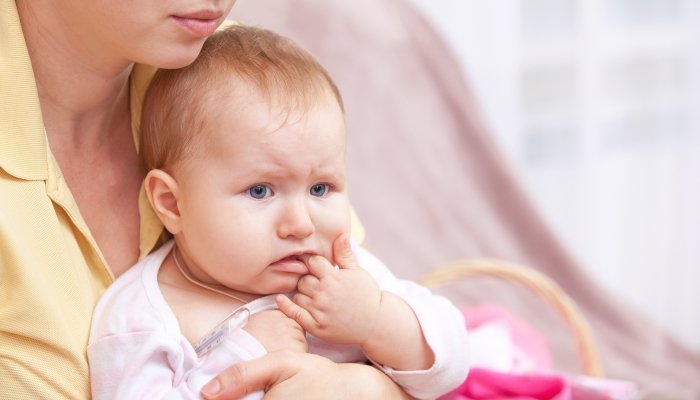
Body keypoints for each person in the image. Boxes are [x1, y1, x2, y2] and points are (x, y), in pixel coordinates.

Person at [0, 0, 457, 399]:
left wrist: (367, 354)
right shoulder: (142, 318)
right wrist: (247, 357)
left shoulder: (227, 72)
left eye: (320, 189)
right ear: (171, 203)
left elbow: (442, 356)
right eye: (259, 191)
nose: (299, 223)